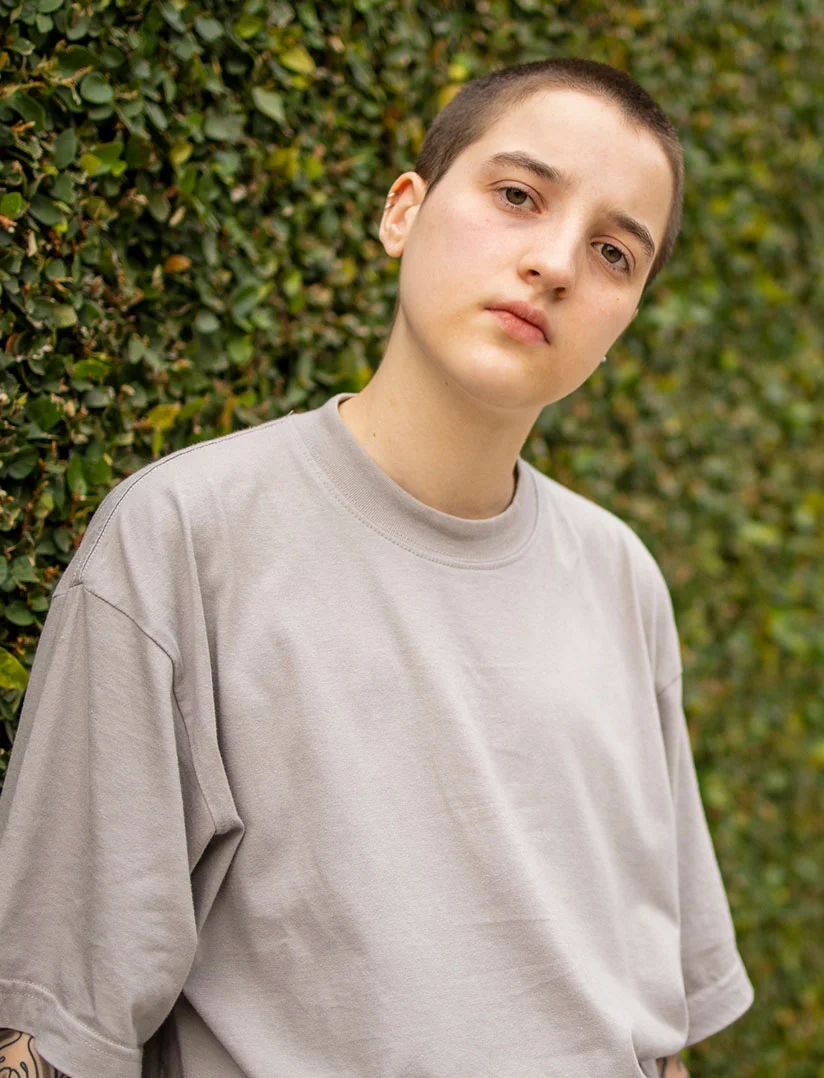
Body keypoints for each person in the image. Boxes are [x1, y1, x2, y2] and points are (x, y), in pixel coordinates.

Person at [0, 57, 754, 1077]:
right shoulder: (184, 535)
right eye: (517, 195)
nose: (555, 263)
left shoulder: (621, 576)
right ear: (404, 209)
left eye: (615, 253)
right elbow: (57, 1030)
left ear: (623, 318)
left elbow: (656, 1017)